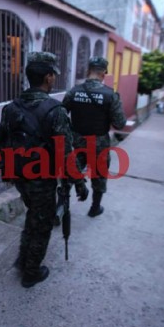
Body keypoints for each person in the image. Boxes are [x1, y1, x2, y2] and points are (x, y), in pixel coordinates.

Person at [0, 52, 88, 288]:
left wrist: (7, 172)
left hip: (21, 178)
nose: (54, 78)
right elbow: (66, 154)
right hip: (42, 179)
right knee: (42, 224)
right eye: (53, 74)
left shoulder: (10, 108)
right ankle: (31, 272)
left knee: (34, 216)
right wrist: (80, 183)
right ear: (47, 77)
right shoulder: (55, 111)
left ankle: (24, 260)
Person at [62, 57, 126, 218]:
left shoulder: (74, 91)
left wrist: (72, 131)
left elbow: (61, 116)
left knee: (72, 172)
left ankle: (60, 208)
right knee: (99, 175)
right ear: (104, 73)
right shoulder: (110, 95)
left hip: (77, 141)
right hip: (99, 143)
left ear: (88, 71)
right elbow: (120, 123)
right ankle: (94, 208)